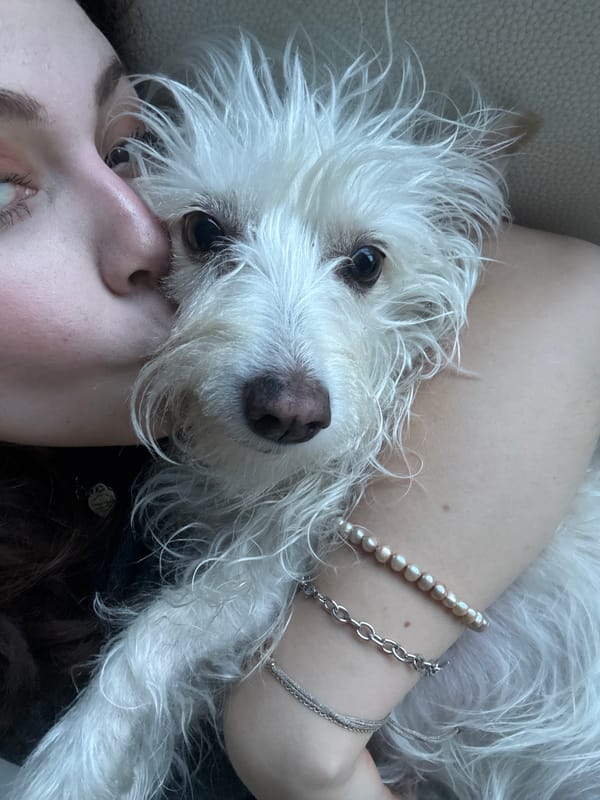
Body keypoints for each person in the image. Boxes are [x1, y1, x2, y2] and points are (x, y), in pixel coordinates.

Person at [0, 0, 599, 798]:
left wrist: (296, 731)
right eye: (207, 237)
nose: (141, 237)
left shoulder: (464, 385)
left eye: (124, 150)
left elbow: (567, 287)